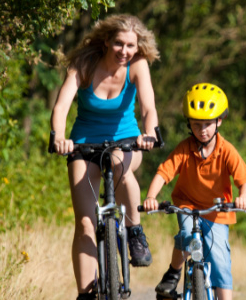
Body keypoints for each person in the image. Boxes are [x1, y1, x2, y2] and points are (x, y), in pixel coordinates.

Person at [50, 14, 160, 300]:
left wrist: (149, 133)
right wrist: (59, 138)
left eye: (131, 45)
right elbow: (62, 105)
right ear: (106, 41)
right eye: (119, 44)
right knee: (85, 223)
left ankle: (134, 231)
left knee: (116, 161)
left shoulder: (137, 66)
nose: (125, 51)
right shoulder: (84, 64)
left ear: (138, 47)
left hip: (126, 142)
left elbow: (148, 106)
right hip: (84, 144)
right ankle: (85, 293)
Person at [142, 83, 246, 300]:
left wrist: (243, 198)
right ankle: (174, 272)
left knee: (220, 259)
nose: (202, 130)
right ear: (189, 124)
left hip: (217, 211)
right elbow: (164, 173)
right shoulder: (184, 148)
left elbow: (244, 180)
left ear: (219, 121)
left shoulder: (226, 150)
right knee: (185, 237)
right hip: (188, 205)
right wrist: (150, 197)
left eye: (208, 124)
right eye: (196, 124)